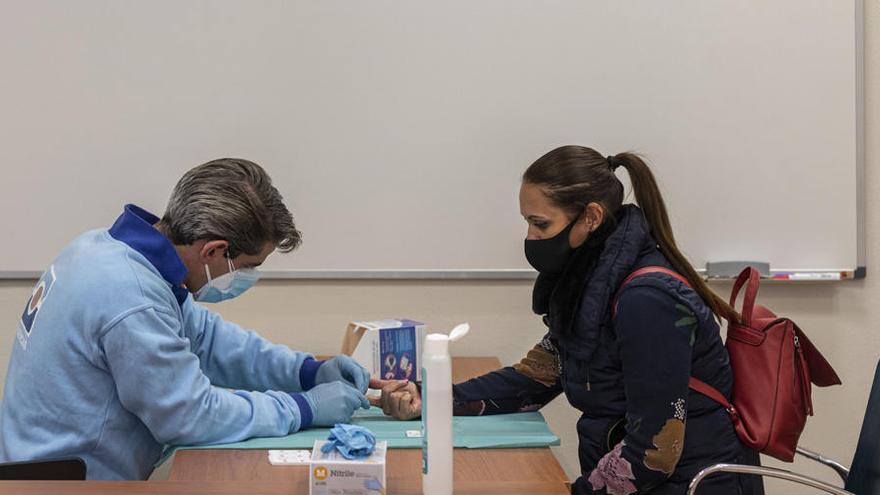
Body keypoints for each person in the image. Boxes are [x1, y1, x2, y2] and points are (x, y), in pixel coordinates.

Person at [371, 146, 763, 494]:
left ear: (591, 217)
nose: (530, 236)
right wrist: (433, 398)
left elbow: (654, 452)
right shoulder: (592, 282)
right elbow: (534, 378)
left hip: (692, 484)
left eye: (540, 224)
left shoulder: (647, 301)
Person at [0, 158, 371, 480]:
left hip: (35, 465)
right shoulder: (132, 296)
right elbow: (189, 415)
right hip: (63, 483)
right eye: (247, 267)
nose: (246, 278)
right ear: (214, 250)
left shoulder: (104, 249)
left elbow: (207, 340)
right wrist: (303, 408)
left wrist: (306, 371)